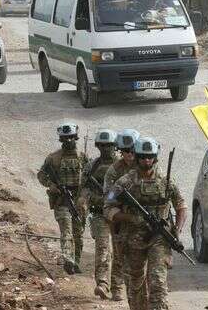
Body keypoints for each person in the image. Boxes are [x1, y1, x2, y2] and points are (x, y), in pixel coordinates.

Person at [105, 137, 187, 310]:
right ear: (137, 157)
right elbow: (108, 209)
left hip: (159, 237)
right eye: (142, 157)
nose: (146, 161)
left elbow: (181, 206)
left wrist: (177, 230)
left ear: (155, 157)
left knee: (157, 282)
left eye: (150, 157)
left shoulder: (166, 181)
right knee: (135, 285)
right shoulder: (123, 182)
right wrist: (130, 218)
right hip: (133, 239)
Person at [37, 123, 88, 274]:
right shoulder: (53, 158)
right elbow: (41, 175)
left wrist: (84, 197)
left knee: (78, 233)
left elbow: (89, 180)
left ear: (76, 138)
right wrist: (51, 186)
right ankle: (68, 259)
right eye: (65, 138)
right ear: (61, 139)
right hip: (62, 200)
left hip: (78, 201)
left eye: (71, 138)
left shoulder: (83, 157)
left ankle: (75, 261)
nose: (68, 141)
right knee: (66, 231)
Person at [77, 129, 118, 300]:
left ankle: (118, 286)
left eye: (109, 145)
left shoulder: (122, 167)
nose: (105, 149)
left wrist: (109, 198)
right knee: (103, 247)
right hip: (100, 214)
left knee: (120, 251)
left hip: (120, 215)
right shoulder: (91, 167)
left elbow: (124, 190)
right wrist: (88, 200)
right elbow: (83, 189)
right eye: (102, 145)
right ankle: (102, 283)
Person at [103, 128, 141, 301]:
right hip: (120, 216)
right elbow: (108, 196)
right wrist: (117, 199)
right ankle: (117, 287)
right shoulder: (114, 170)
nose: (129, 155)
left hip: (142, 215)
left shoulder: (146, 166)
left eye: (132, 151)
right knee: (119, 252)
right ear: (120, 151)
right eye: (125, 151)